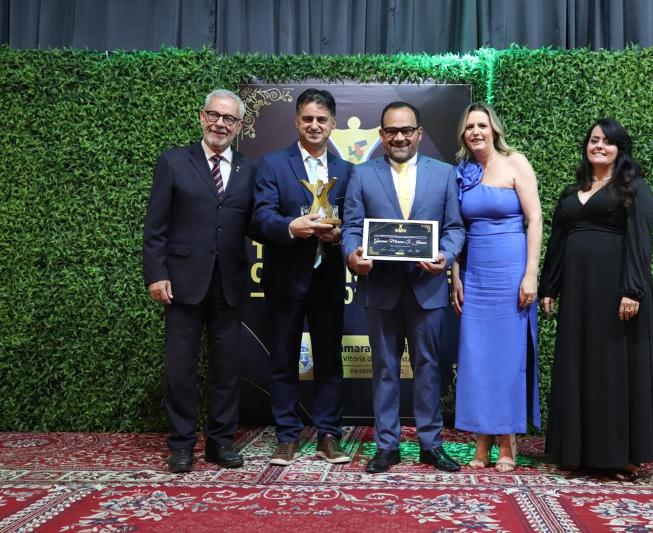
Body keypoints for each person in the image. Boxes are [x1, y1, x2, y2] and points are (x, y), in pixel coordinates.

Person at [539, 118, 653, 481]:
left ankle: (622, 454)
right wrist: (549, 287)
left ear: (620, 149)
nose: (599, 146)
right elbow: (559, 240)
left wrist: (632, 289)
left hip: (617, 292)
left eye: (608, 141)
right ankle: (579, 450)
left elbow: (640, 242)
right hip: (579, 295)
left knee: (615, 369)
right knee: (580, 364)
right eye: (594, 139)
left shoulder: (634, 188)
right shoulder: (572, 191)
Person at [342, 102, 465, 473]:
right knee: (384, 369)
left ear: (419, 133)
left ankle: (431, 445)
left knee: (428, 368)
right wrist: (352, 256)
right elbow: (351, 228)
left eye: (406, 130)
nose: (399, 137)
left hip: (428, 287)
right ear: (381, 135)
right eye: (392, 131)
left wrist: (445, 254)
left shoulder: (444, 174)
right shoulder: (362, 174)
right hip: (381, 287)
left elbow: (455, 228)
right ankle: (387, 446)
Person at [143, 89, 256, 473]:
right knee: (180, 370)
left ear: (239, 126)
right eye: (214, 115)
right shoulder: (174, 161)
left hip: (230, 283)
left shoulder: (248, 169)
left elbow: (257, 223)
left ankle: (221, 442)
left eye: (229, 119)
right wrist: (157, 274)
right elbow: (155, 226)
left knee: (226, 369)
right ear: (201, 117)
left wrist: (293, 228)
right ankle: (181, 445)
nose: (220, 124)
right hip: (182, 282)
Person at [249, 88, 353, 466]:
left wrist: (341, 235)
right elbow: (259, 218)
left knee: (329, 360)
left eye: (321, 119)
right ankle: (287, 436)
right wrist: (290, 227)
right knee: (283, 359)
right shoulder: (273, 164)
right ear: (296, 122)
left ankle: (329, 435)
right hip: (285, 278)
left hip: (329, 279)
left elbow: (355, 219)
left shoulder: (347, 169)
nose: (314, 125)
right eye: (307, 118)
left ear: (333, 124)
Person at [451, 102, 542, 472]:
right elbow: (456, 229)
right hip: (476, 275)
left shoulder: (516, 162)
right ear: (463, 134)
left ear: (494, 130)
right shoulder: (462, 172)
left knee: (508, 358)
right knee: (476, 359)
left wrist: (530, 274)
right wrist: (456, 275)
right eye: (469, 126)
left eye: (482, 125)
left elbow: (535, 219)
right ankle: (481, 439)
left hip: (510, 273)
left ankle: (507, 439)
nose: (476, 132)